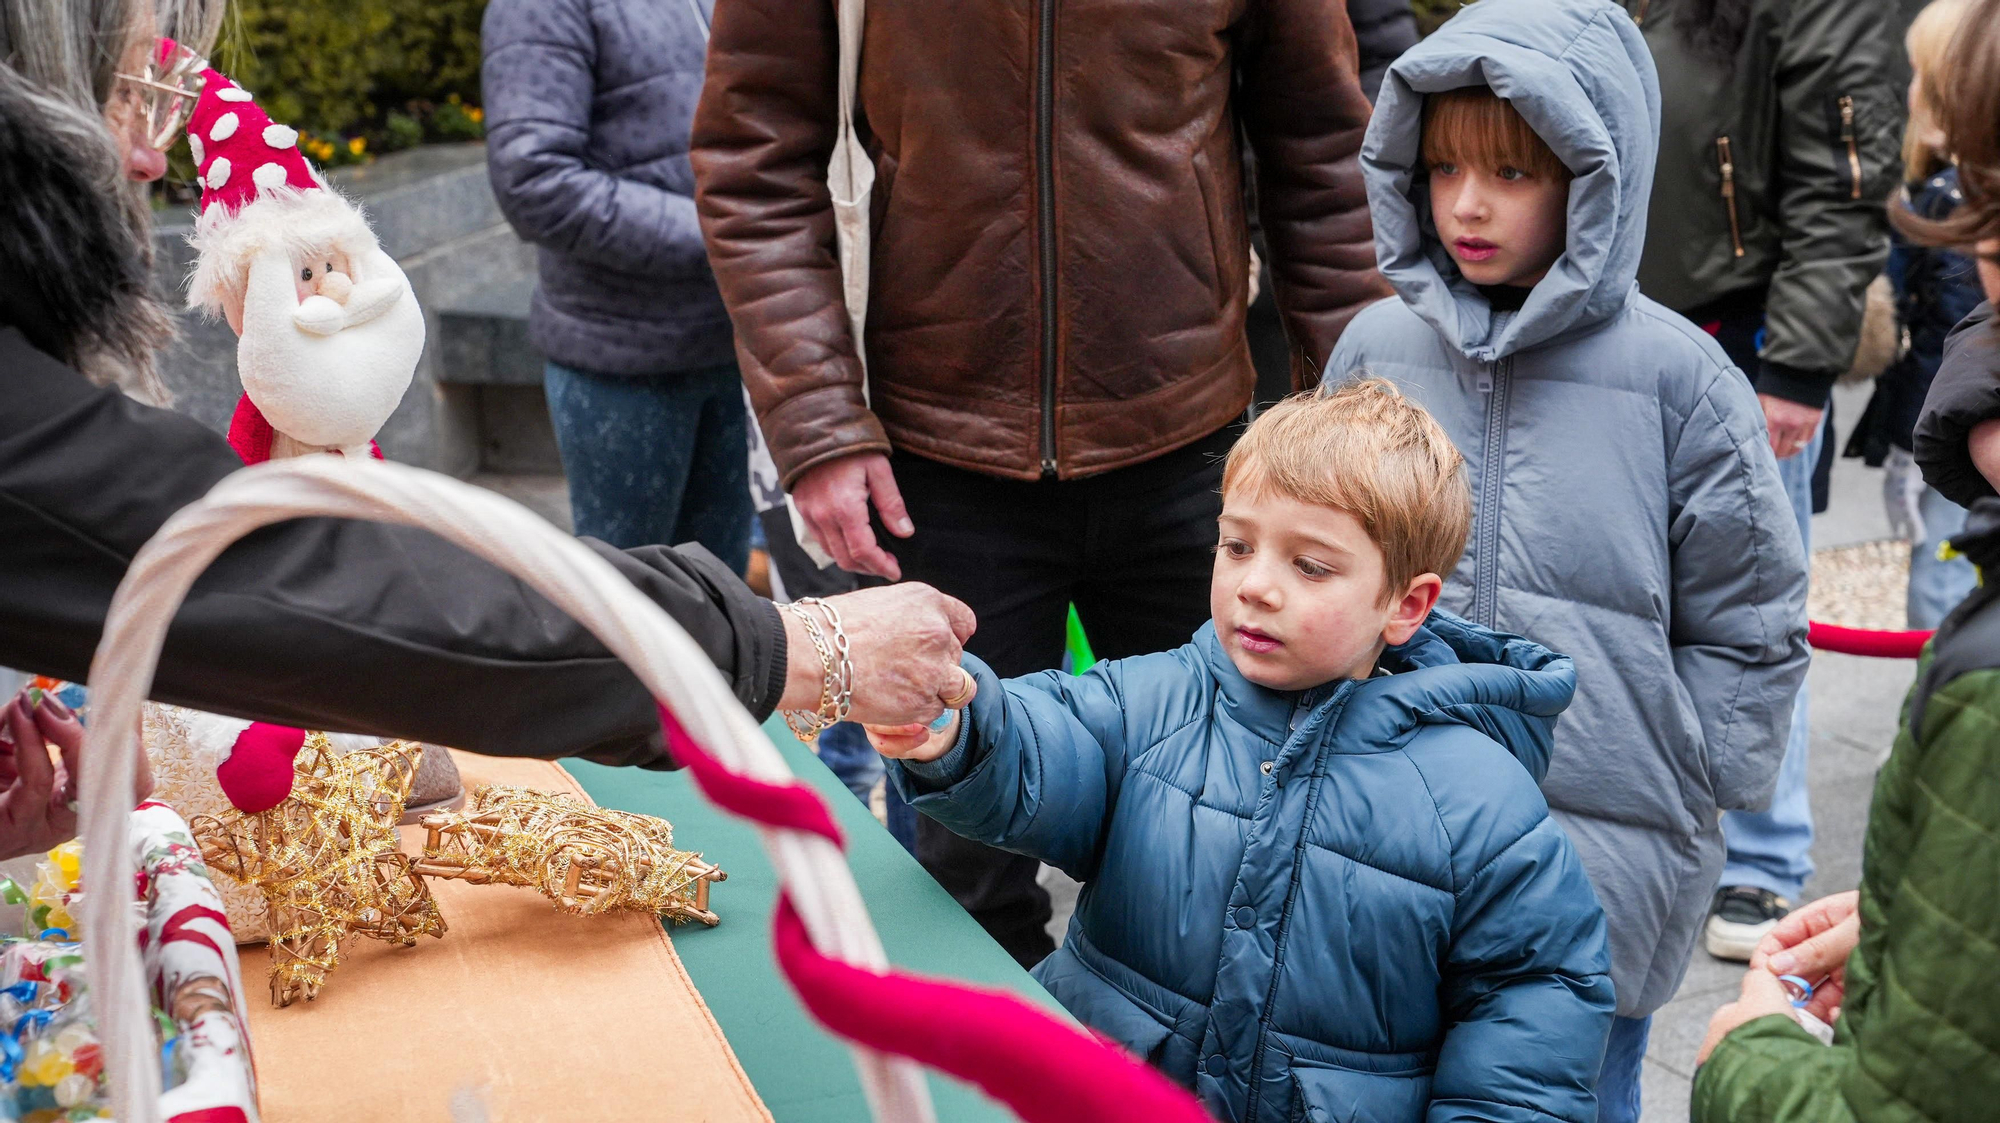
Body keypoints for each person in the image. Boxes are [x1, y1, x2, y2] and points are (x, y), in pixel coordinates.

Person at [0, 0, 975, 853]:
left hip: (710, 347)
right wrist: (789, 647)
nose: (147, 154)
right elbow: (323, 584)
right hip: (621, 354)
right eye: (130, 92)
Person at [692, 0, 1389, 966]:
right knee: (965, 874)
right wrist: (817, 426)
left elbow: (1321, 155)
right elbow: (752, 157)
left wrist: (1357, 422)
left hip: (1194, 453)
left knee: (1234, 839)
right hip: (939, 463)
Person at [869, 380, 1613, 1123]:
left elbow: (1532, 1014)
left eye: (1310, 565)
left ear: (1406, 604)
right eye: (1237, 544)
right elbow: (1045, 740)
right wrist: (958, 728)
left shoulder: (1481, 799)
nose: (1256, 585)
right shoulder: (1155, 699)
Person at [1325, 1, 1810, 1117]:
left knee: (1577, 1096)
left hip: (1600, 851)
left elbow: (1749, 613)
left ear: (1598, 177)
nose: (1466, 203)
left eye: (1512, 173)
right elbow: (1315, 549)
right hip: (1388, 830)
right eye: (1441, 168)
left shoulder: (1681, 381)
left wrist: (1698, 774)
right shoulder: (1371, 349)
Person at [1693, 19, 2000, 1091]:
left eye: (1991, 236)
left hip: (1752, 344)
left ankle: (1763, 861)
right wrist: (1911, 918)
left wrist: (1744, 1061)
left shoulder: (1982, 693)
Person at [1624, 0, 1903, 962]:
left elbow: (1845, 172)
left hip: (1742, 336)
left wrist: (1797, 366)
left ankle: (1765, 853)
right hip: (1617, 311)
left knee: (1749, 608)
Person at [481, 0, 751, 572]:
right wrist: (730, 236)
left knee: (724, 600)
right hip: (625, 358)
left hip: (739, 342)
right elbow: (535, 182)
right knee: (628, 603)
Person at [1845, 0, 1981, 630]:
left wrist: (1909, 440)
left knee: (1941, 570)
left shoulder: (1958, 207)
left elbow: (1949, 345)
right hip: (1955, 418)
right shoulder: (1947, 195)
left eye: (1925, 75)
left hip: (1960, 425)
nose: (1911, 93)